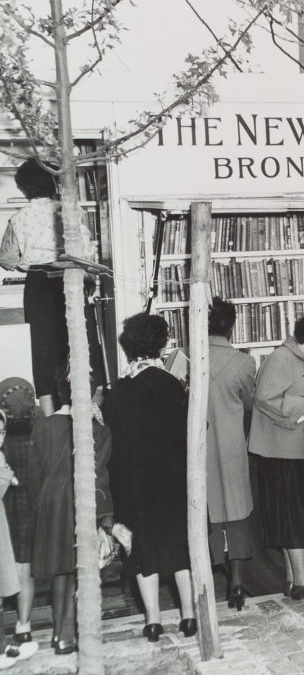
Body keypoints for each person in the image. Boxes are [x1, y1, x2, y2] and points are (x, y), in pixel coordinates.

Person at [104, 313, 195, 641]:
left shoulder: (119, 388)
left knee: (142, 551)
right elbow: (189, 430)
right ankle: (188, 617)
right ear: (159, 345)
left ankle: (153, 622)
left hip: (133, 485)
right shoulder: (169, 383)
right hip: (170, 482)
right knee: (179, 547)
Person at [248, 310, 304, 601]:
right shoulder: (280, 359)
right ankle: (302, 580)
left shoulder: (299, 359)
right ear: (303, 337)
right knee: (295, 517)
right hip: (281, 452)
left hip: (292, 449)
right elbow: (264, 398)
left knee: (290, 516)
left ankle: (291, 579)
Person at [0, 159, 98, 415]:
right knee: (75, 344)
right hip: (69, 280)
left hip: (38, 286)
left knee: (43, 350)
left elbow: (6, 259)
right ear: (54, 182)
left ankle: (50, 416)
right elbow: (86, 253)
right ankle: (83, 412)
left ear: (24, 188)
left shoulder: (18, 218)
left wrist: (24, 264)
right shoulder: (70, 212)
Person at [27, 367, 112, 653]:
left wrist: (41, 505)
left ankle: (58, 632)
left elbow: (34, 473)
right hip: (81, 500)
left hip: (50, 500)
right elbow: (100, 473)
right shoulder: (98, 430)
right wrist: (105, 517)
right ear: (88, 394)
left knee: (59, 571)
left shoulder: (43, 426)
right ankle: (71, 633)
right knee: (79, 569)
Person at [204, 298, 257, 610]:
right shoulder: (243, 363)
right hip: (232, 444)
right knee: (237, 512)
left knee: (208, 512)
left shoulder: (187, 358)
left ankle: (209, 580)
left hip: (200, 445)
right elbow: (249, 404)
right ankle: (237, 582)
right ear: (231, 327)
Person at [0, 378, 43, 648]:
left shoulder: (2, 438)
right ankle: (24, 626)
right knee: (25, 569)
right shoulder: (36, 434)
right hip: (29, 505)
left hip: (5, 509)